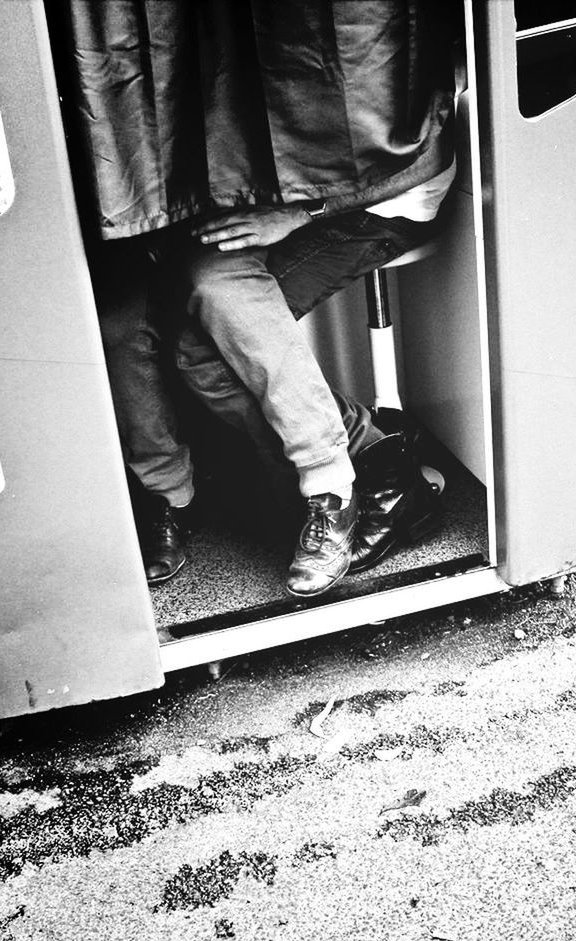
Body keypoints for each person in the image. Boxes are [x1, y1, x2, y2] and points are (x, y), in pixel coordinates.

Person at [64, 0, 460, 594]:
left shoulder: (361, 30)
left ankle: (336, 484)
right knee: (132, 312)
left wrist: (301, 210)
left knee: (209, 325)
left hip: (372, 205)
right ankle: (375, 462)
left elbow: (426, 151)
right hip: (251, 199)